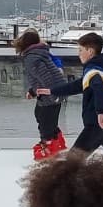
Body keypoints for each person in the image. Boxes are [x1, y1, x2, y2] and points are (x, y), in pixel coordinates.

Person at [51, 32, 103, 176]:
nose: (79, 54)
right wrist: (51, 91)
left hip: (98, 124)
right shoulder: (101, 68)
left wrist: (99, 112)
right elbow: (78, 85)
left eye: (80, 50)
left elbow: (99, 87)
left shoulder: (93, 71)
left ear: (90, 51)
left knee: (73, 160)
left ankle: (61, 195)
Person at [15, 29, 67, 160]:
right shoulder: (38, 53)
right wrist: (33, 91)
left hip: (52, 93)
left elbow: (45, 78)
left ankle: (50, 146)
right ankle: (56, 142)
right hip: (53, 92)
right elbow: (41, 78)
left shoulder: (32, 58)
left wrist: (51, 94)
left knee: (44, 119)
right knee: (43, 116)